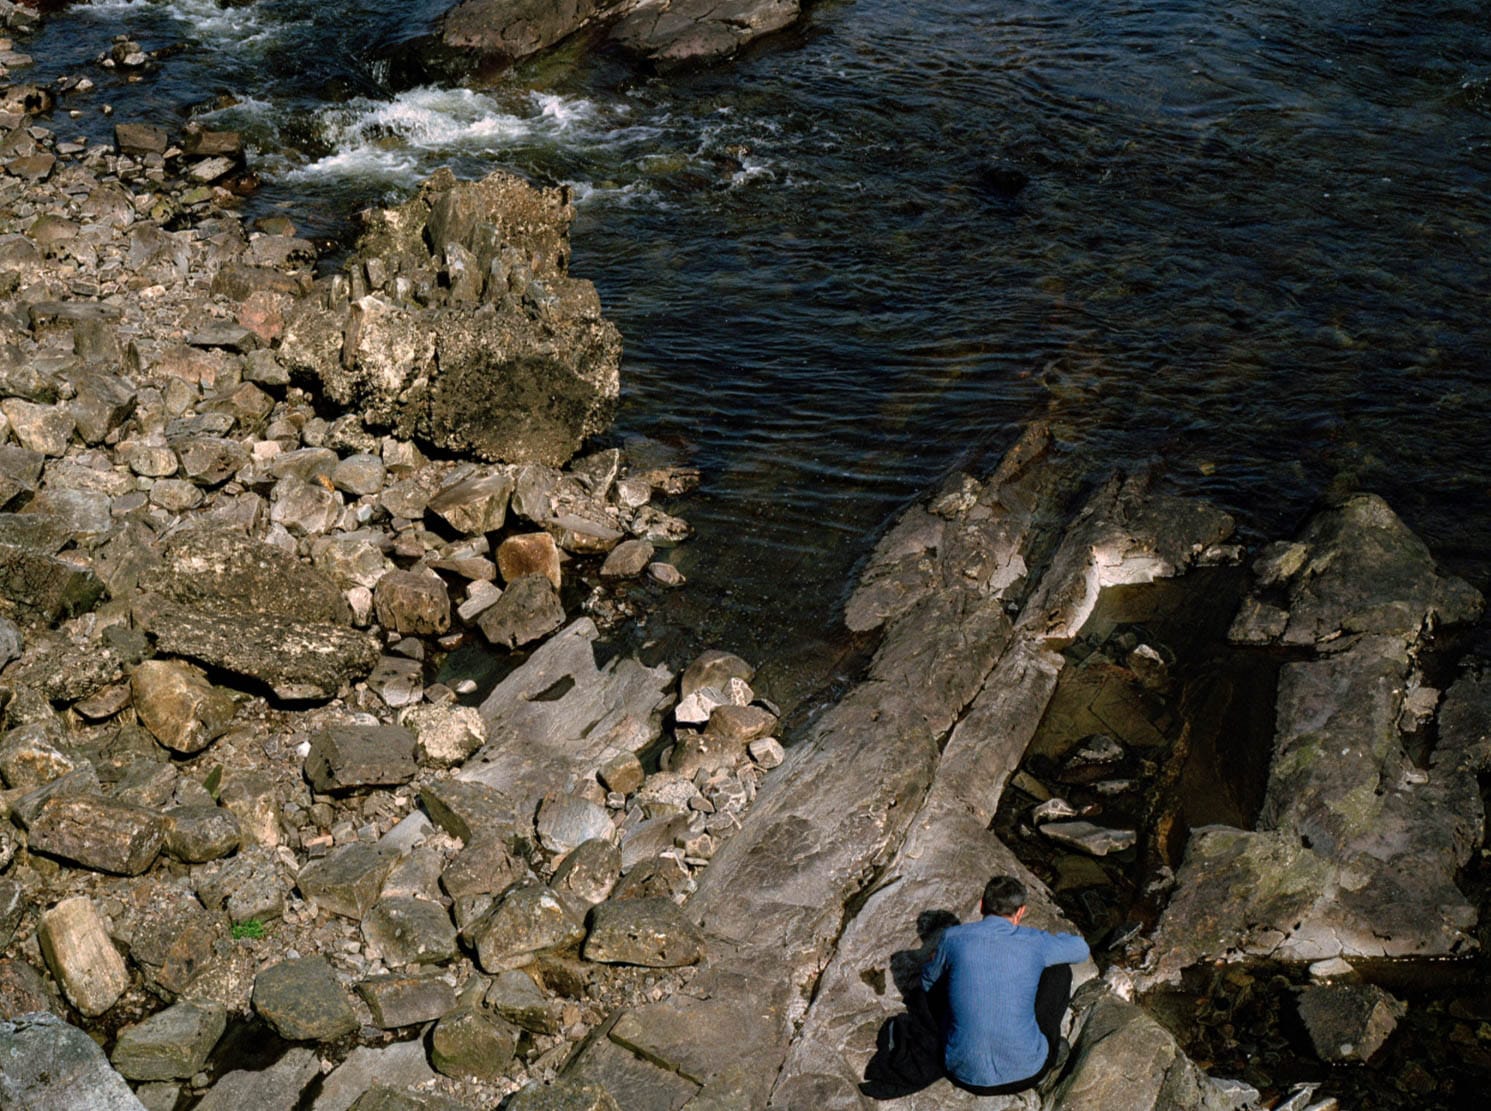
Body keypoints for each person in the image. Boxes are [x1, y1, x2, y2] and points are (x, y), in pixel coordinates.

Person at [919, 874, 1089, 1095]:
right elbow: (1081, 950)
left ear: (981, 905)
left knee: (944, 975)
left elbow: (928, 982)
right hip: (1028, 1072)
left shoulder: (953, 938)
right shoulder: (1034, 942)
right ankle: (1052, 1048)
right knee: (1059, 970)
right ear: (1020, 912)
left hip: (960, 1073)